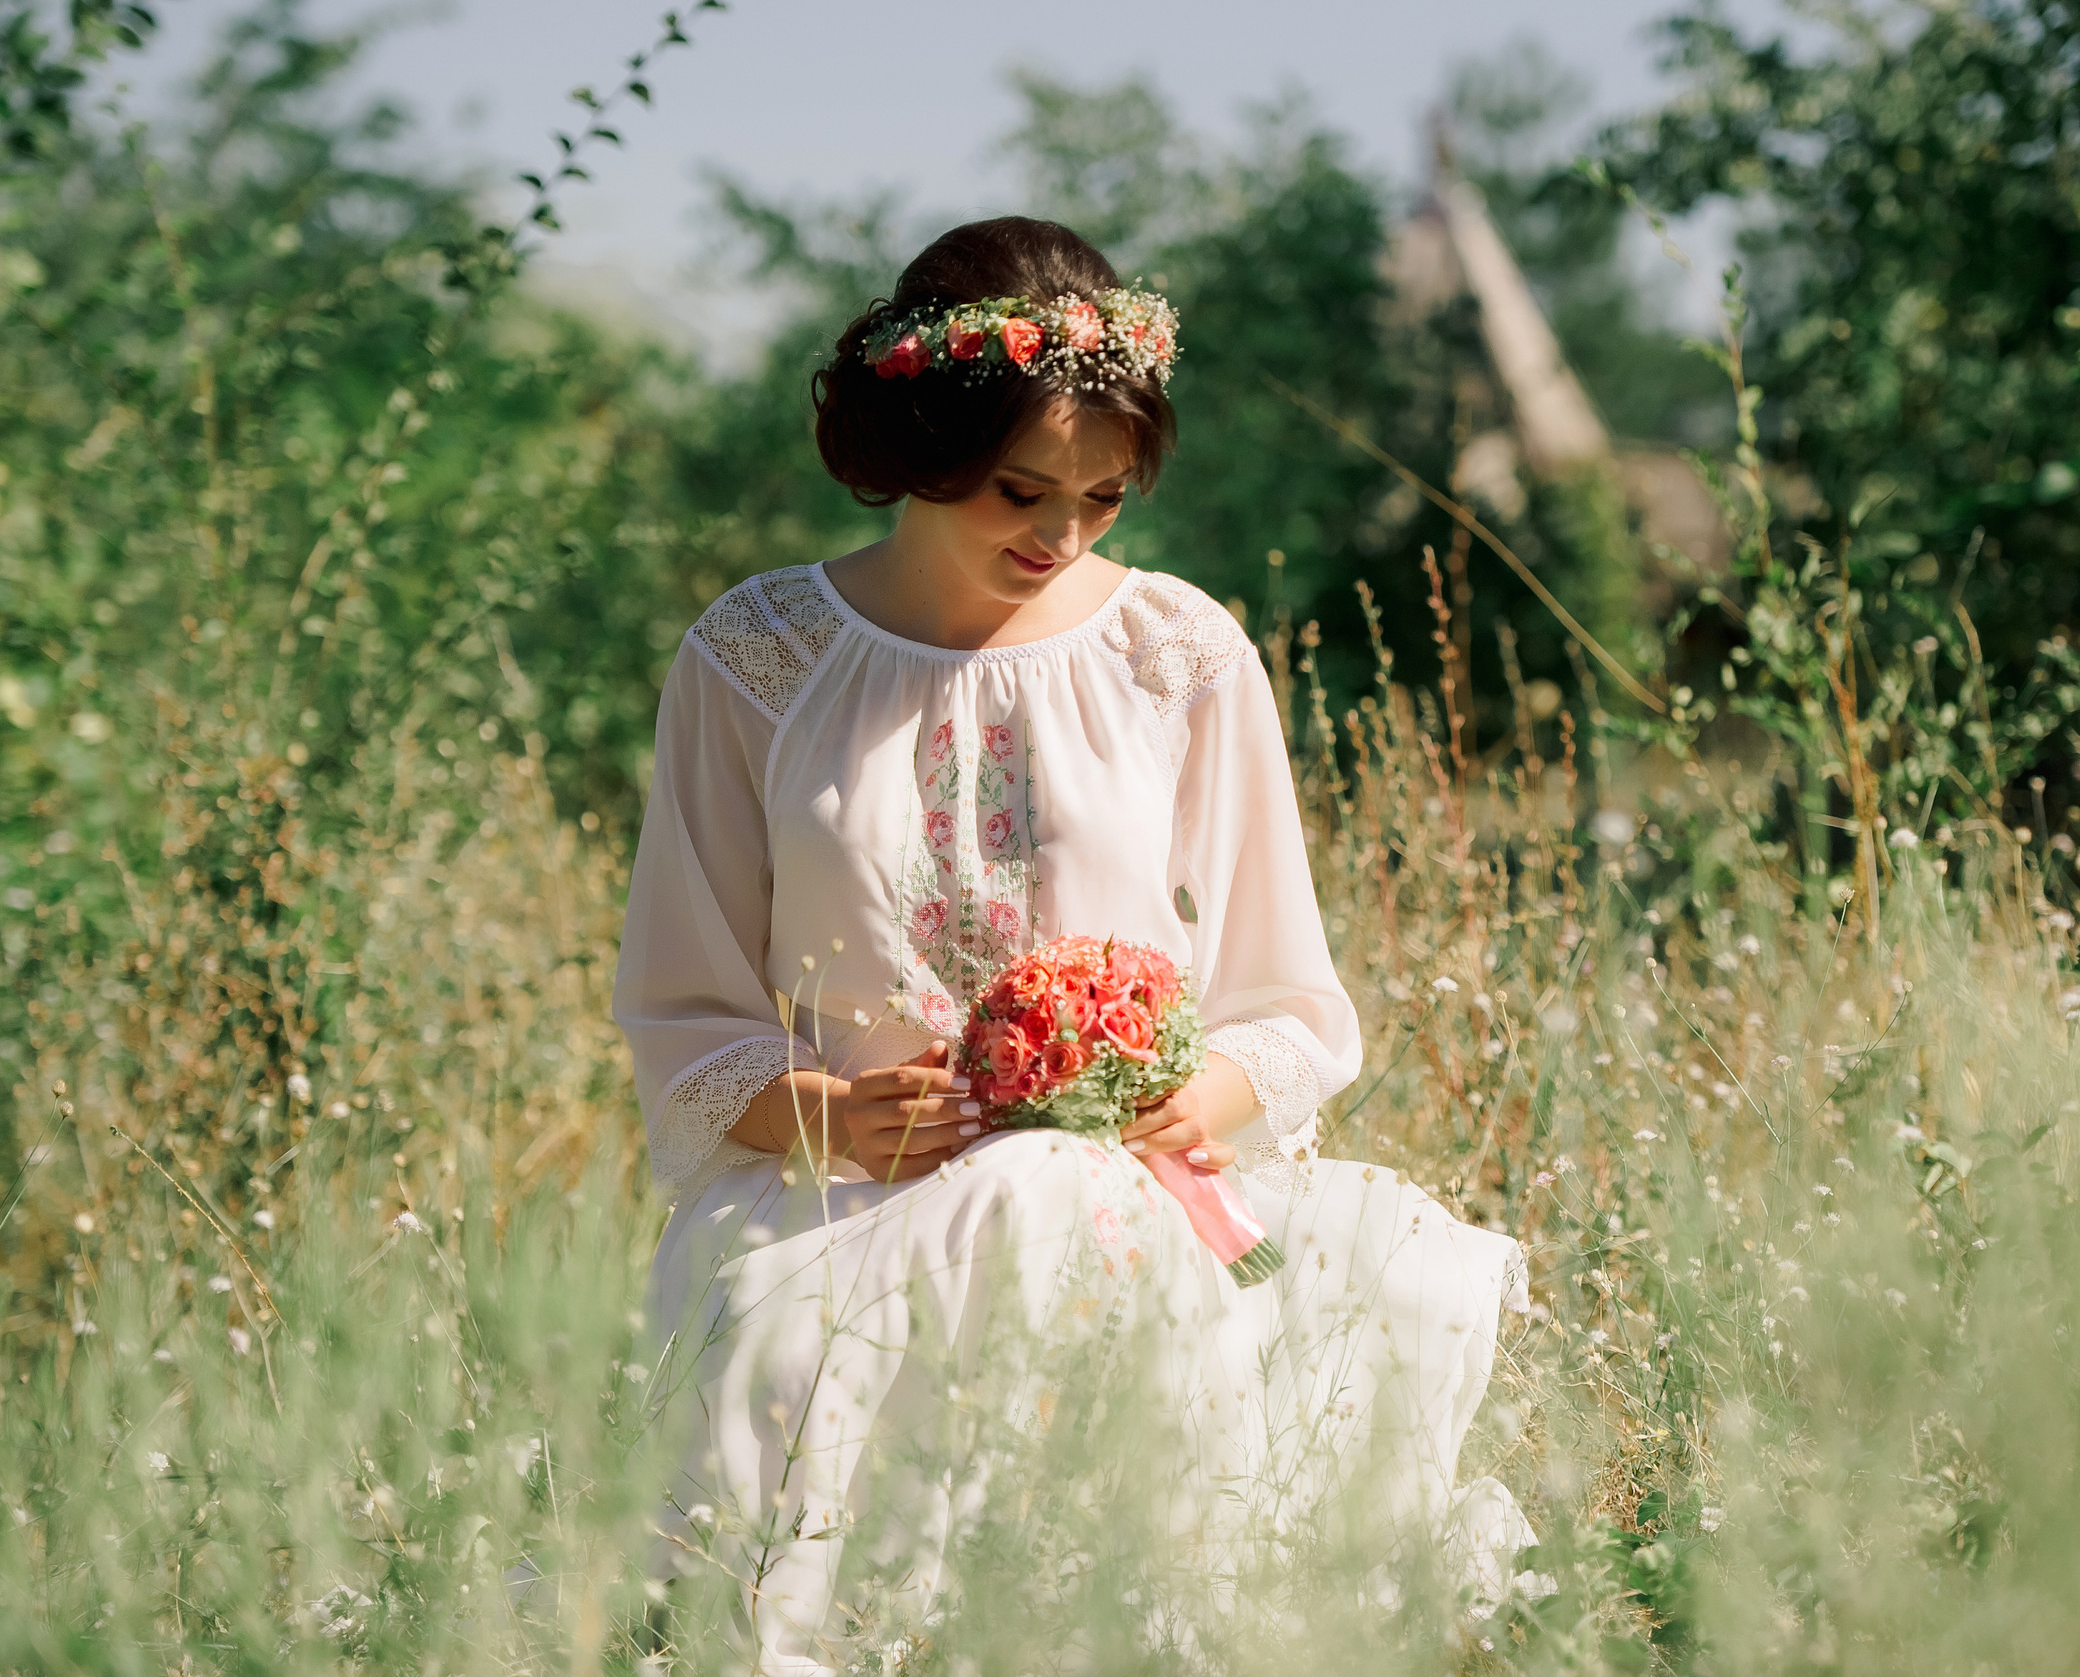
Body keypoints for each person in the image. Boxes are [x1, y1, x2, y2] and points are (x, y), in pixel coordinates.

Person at [614, 216, 1525, 1672]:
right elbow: (684, 1008)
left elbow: (1288, 1002)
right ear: (917, 443)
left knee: (1082, 1212)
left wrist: (1203, 1095)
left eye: (1104, 497)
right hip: (841, 1215)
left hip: (1141, 1197)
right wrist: (836, 1115)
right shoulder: (756, 660)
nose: (1063, 535)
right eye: (1022, 490)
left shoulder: (1179, 654)